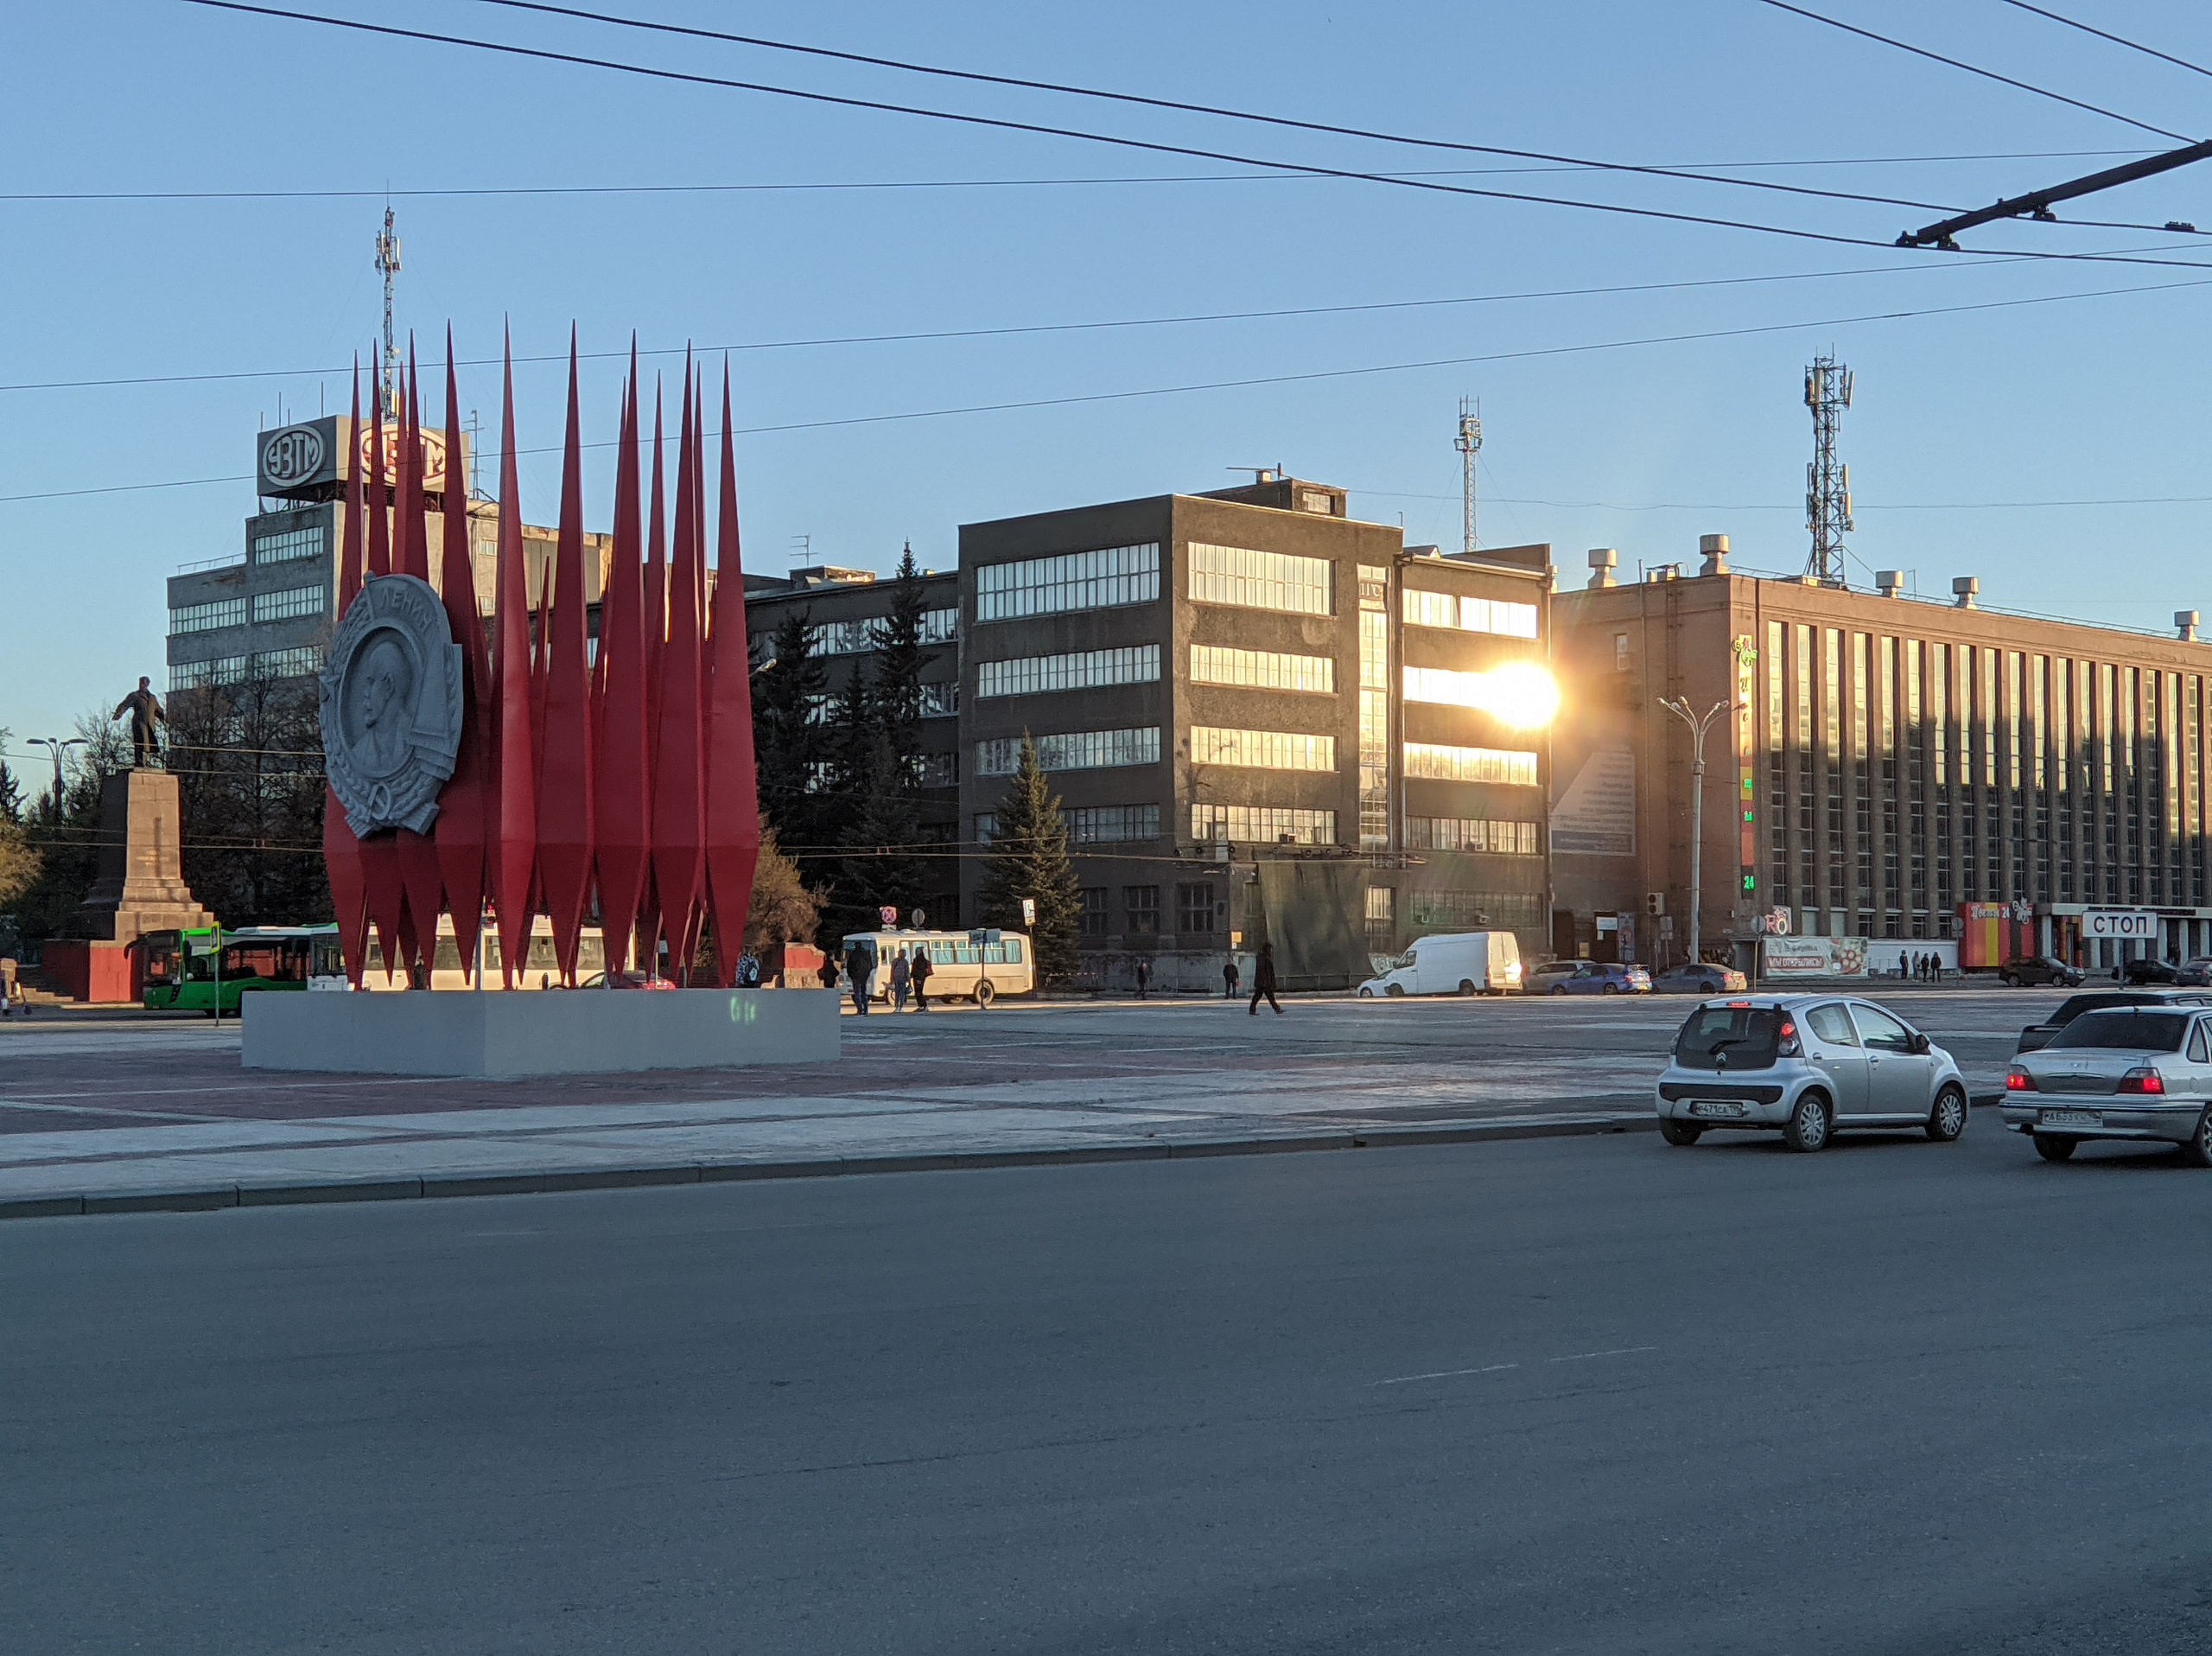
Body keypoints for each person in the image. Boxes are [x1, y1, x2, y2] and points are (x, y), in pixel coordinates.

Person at [113, 677, 165, 769]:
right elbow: (125, 705)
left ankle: (146, 761)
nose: (143, 685)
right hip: (139, 723)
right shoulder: (135, 696)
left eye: (145, 683)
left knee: (149, 744)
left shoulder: (152, 698)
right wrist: (119, 713)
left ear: (148, 684)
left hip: (150, 724)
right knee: (141, 742)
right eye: (142, 683)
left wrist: (165, 718)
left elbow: (158, 711)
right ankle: (139, 762)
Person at [1249, 940, 1281, 1016]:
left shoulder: (1263, 958)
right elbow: (1264, 971)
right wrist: (1266, 982)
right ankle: (1277, 1009)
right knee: (1265, 996)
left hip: (1263, 981)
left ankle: (1277, 1009)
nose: (1271, 951)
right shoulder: (1264, 958)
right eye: (1270, 949)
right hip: (1264, 982)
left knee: (1263, 996)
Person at [843, 940, 874, 1015]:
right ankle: (866, 1009)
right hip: (864, 976)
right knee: (864, 992)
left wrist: (850, 974)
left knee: (857, 993)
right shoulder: (866, 954)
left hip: (856, 976)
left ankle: (860, 1009)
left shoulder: (853, 954)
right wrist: (867, 973)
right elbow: (871, 965)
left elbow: (849, 966)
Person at [911, 946, 933, 1011]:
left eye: (917, 951)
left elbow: (920, 970)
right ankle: (921, 1005)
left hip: (919, 978)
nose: (916, 952)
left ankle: (923, 1005)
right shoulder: (917, 959)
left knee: (919, 992)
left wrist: (918, 978)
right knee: (918, 992)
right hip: (917, 978)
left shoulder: (921, 961)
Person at [889, 949, 912, 1013]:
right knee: (900, 993)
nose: (904, 954)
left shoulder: (896, 961)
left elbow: (892, 971)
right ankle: (899, 1007)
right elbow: (907, 972)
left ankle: (898, 1007)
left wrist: (892, 979)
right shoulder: (904, 962)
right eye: (903, 953)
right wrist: (909, 981)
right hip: (900, 979)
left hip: (900, 979)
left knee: (899, 993)